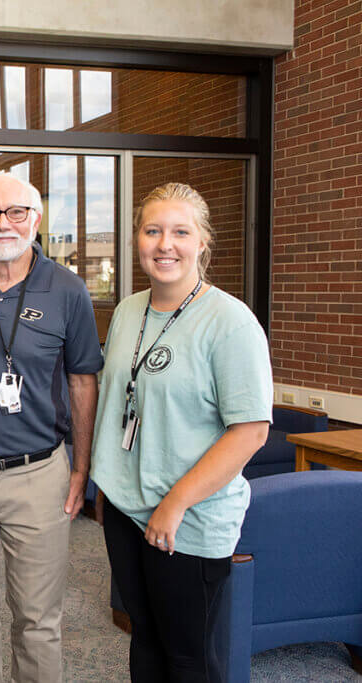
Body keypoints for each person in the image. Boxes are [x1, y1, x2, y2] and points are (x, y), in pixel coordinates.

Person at [90, 182, 271, 682]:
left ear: (202, 242)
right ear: (137, 239)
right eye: (152, 231)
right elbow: (120, 401)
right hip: (128, 508)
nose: (164, 244)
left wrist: (176, 502)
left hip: (188, 518)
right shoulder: (129, 311)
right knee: (143, 636)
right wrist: (110, 483)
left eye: (179, 232)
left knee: (189, 656)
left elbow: (250, 431)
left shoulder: (230, 322)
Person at [0, 172, 102, 683]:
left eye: (15, 212)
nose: (2, 223)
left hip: (39, 474)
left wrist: (80, 472)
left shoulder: (69, 290)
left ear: (36, 219)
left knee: (36, 619)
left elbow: (82, 383)